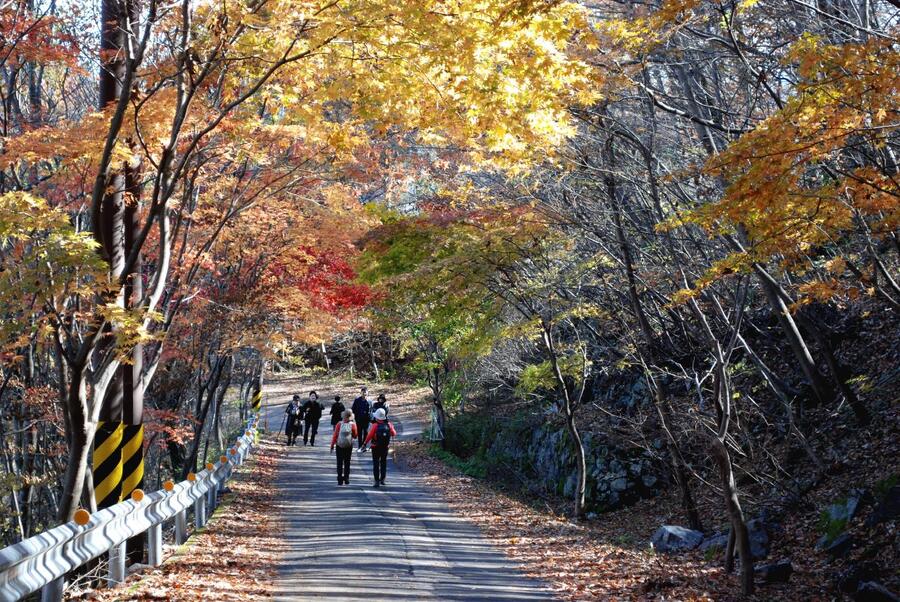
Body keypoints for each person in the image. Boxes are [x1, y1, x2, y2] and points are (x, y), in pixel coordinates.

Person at [362, 408, 396, 488]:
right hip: (385, 447)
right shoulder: (389, 424)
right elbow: (394, 433)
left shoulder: (375, 425)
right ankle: (383, 479)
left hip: (375, 447)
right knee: (383, 462)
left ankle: (376, 481)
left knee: (376, 463)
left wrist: (364, 444)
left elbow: (369, 436)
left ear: (377, 417)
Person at [330, 409, 358, 485]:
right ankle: (346, 478)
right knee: (347, 462)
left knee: (339, 462)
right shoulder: (353, 425)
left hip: (339, 445)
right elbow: (355, 436)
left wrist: (332, 445)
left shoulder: (339, 424)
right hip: (348, 445)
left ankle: (339, 479)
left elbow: (335, 435)